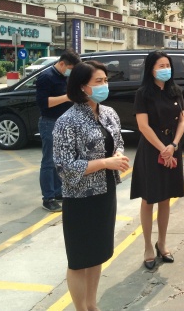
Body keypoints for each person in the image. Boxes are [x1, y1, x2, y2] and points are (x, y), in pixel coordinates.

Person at [53, 60, 130, 311]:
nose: (104, 85)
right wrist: (105, 162)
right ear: (82, 86)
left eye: (106, 80)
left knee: (97, 255)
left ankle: (91, 305)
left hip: (105, 193)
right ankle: (80, 308)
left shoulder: (109, 113)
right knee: (79, 260)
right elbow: (64, 167)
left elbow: (118, 141)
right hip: (80, 198)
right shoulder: (67, 121)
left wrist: (117, 155)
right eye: (98, 81)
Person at [130, 51, 184, 270]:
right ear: (151, 69)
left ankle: (162, 243)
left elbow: (182, 121)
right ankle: (147, 246)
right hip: (152, 148)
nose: (165, 69)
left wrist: (173, 145)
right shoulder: (143, 94)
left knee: (165, 198)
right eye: (161, 66)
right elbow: (143, 126)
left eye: (167, 65)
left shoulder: (175, 91)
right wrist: (163, 149)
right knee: (149, 199)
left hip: (172, 146)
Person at [35, 49, 81, 212]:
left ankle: (58, 191)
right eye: (70, 69)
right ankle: (48, 198)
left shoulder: (64, 77)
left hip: (64, 122)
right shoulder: (46, 77)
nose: (70, 73)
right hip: (50, 122)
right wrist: (67, 97)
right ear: (62, 64)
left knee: (60, 160)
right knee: (49, 161)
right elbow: (43, 103)